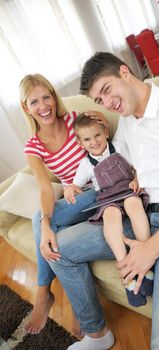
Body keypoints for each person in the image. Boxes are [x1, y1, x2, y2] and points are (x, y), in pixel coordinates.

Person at [48, 52, 159, 350]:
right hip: (138, 213)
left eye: (106, 90)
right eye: (99, 100)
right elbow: (117, 159)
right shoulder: (127, 121)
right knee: (58, 250)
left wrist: (150, 250)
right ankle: (97, 333)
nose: (107, 102)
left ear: (125, 72)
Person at [20, 73, 108, 335]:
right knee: (43, 221)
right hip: (75, 200)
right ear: (26, 108)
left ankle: (44, 292)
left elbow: (104, 145)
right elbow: (46, 189)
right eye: (34, 101)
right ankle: (70, 301)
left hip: (101, 192)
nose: (43, 106)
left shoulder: (75, 121)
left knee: (40, 219)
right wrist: (47, 224)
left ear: (54, 98)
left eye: (46, 97)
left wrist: (104, 124)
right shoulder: (33, 147)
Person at [65, 113, 153, 307]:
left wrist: (137, 179)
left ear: (105, 132)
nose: (94, 142)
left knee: (134, 204)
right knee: (110, 216)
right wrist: (69, 188)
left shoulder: (119, 148)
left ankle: (145, 254)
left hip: (128, 189)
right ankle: (125, 266)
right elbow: (76, 185)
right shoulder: (86, 164)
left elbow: (137, 166)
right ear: (80, 143)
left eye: (97, 135)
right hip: (107, 198)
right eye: (87, 139)